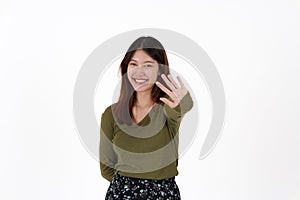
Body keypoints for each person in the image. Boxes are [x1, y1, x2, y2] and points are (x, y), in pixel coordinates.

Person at [99, 36, 193, 199]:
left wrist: (182, 100)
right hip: (121, 194)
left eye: (148, 65)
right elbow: (106, 168)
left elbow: (183, 107)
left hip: (162, 194)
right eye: (133, 64)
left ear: (160, 70)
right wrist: (128, 186)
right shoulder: (111, 114)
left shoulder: (166, 109)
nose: (139, 71)